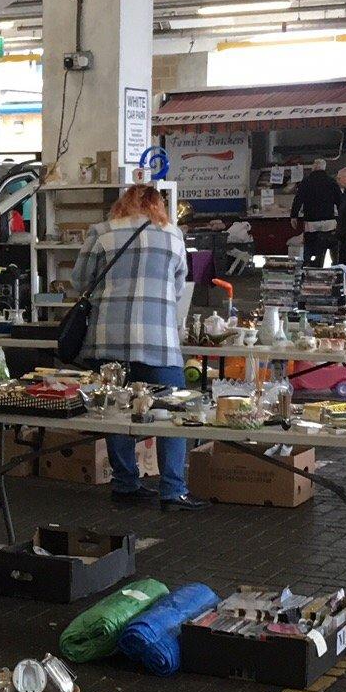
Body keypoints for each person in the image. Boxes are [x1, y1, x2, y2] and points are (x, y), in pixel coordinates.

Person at [70, 183, 208, 511]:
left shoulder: (101, 232)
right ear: (158, 206)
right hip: (158, 341)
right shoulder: (173, 235)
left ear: (122, 204)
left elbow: (79, 282)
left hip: (108, 339)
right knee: (173, 413)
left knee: (115, 412)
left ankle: (125, 484)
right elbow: (178, 288)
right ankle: (173, 491)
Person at [289, 158, 339, 265]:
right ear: (324, 168)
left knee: (310, 246)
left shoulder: (306, 181)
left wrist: (294, 216)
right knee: (330, 245)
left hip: (311, 221)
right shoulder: (331, 181)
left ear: (313, 168)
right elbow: (339, 200)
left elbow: (298, 200)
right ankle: (334, 266)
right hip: (329, 221)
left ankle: (310, 266)